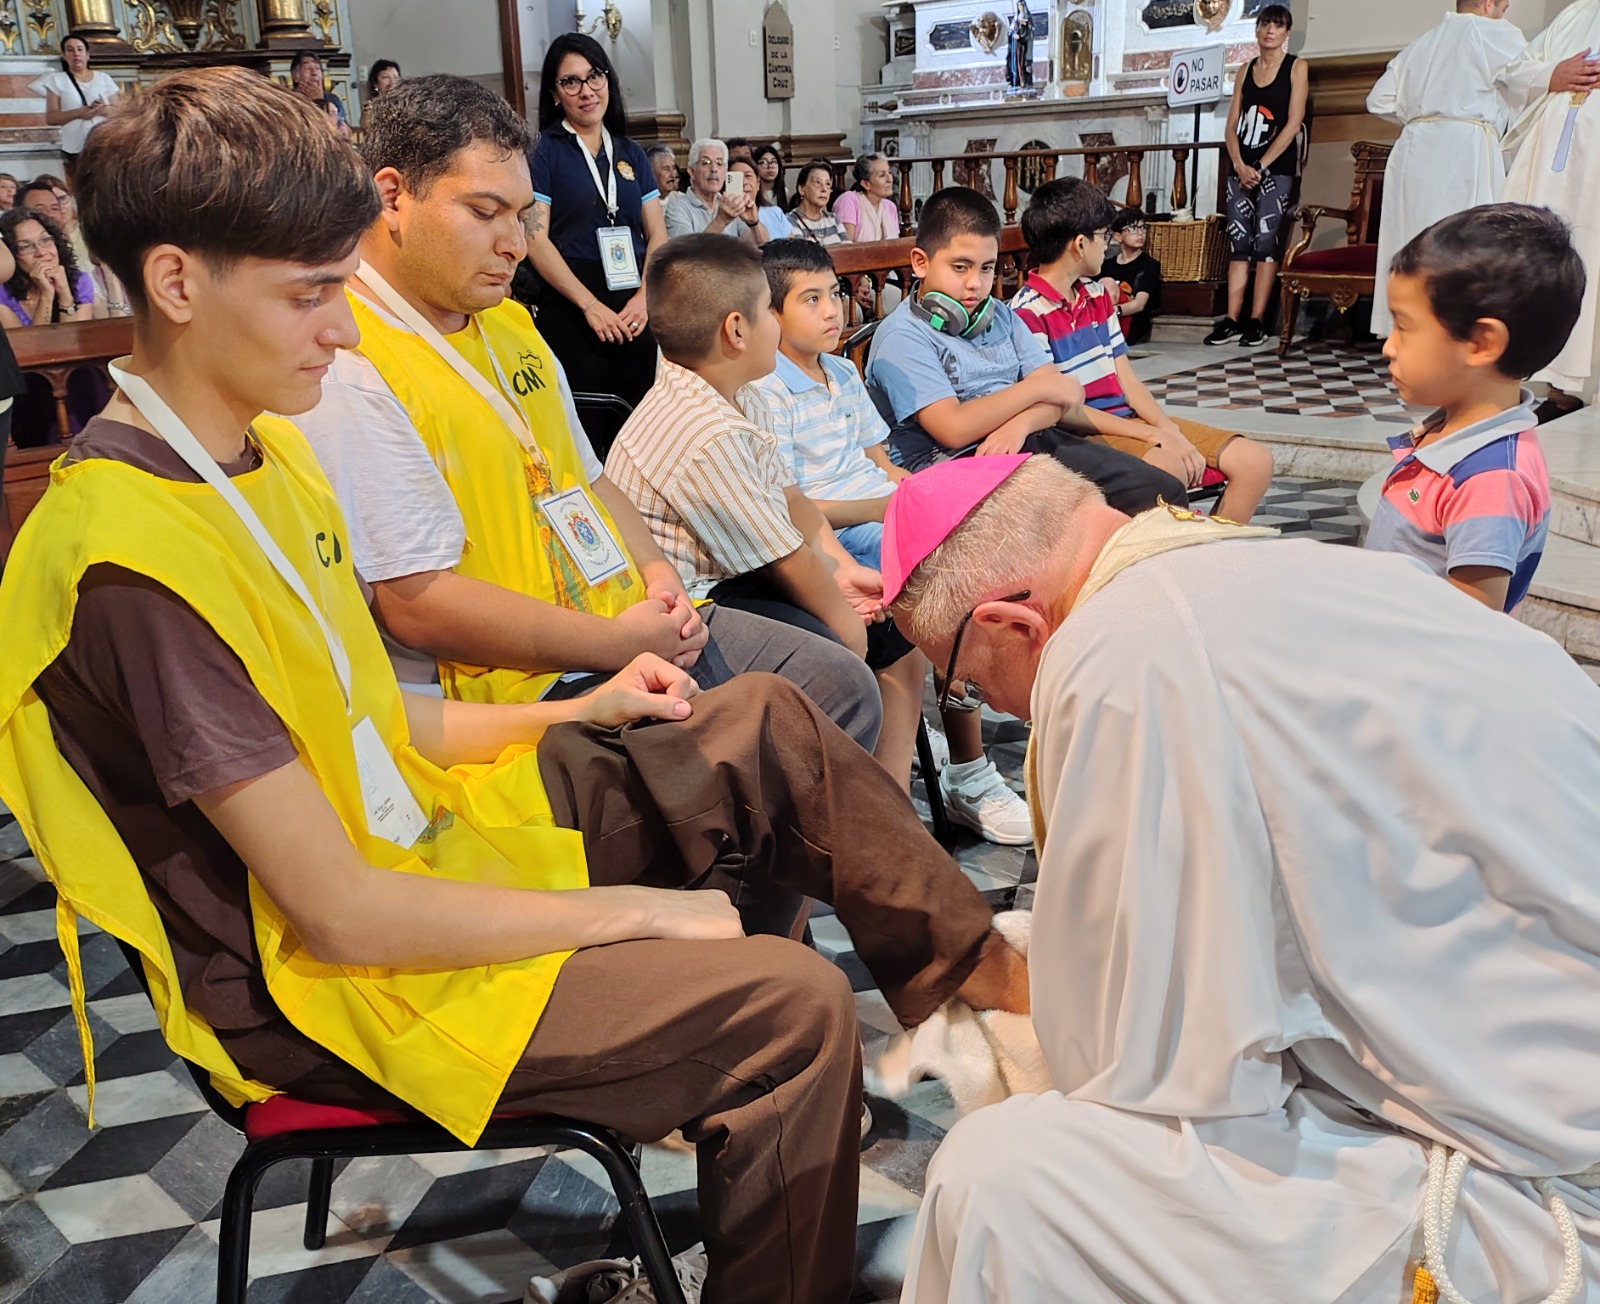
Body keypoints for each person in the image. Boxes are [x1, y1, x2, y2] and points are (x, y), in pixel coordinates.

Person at [0, 67, 1033, 1304]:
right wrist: (637, 914)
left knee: (757, 719)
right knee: (792, 1007)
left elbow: (368, 712)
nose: (340, 327)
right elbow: (339, 913)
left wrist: (573, 711)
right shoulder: (129, 560)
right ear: (176, 280)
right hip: (325, 977)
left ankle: (995, 995)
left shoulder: (251, 455)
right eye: (311, 293)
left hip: (423, 839)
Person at [881, 448, 1600, 1304]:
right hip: (1534, 1084)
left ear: (1012, 623)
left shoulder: (1122, 658)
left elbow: (1148, 1071)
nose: (987, 707)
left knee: (998, 1183)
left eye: (964, 685)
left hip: (1533, 1187)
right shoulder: (1302, 567)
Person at [295, 76, 885, 754]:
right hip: (526, 680)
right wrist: (617, 641)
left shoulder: (511, 323)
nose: (515, 245)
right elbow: (416, 602)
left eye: (523, 217)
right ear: (394, 196)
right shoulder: (349, 359)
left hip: (627, 613)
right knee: (755, 753)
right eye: (486, 213)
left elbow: (590, 477)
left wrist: (659, 577)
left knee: (838, 685)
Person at [604, 234, 927, 787]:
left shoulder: (736, 389)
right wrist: (847, 627)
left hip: (742, 574)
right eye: (767, 311)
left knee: (895, 629)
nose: (775, 326)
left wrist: (842, 569)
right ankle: (827, 821)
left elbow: (790, 497)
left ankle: (888, 796)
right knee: (847, 668)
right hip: (694, 607)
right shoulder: (702, 430)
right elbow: (785, 561)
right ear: (736, 329)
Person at [742, 239, 1032, 842]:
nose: (833, 311)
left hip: (883, 510)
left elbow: (881, 462)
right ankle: (962, 768)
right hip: (839, 531)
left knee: (996, 537)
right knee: (955, 587)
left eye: (836, 295)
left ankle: (956, 743)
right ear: (769, 314)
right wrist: (889, 505)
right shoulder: (762, 391)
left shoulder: (843, 370)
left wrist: (925, 495)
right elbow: (791, 504)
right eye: (811, 299)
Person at [863, 186, 1187, 513]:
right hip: (958, 467)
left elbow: (1065, 396)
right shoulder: (902, 336)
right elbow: (954, 428)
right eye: (960, 267)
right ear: (920, 262)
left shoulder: (1000, 315)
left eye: (986, 268)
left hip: (1027, 439)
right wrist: (1038, 388)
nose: (975, 283)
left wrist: (1021, 422)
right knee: (1090, 518)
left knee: (1163, 492)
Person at [1012, 178, 1274, 523]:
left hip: (1127, 419)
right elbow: (1064, 412)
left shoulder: (1096, 296)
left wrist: (1170, 430)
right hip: (1084, 432)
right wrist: (1153, 435)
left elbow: (1128, 381)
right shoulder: (1025, 312)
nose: (1106, 246)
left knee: (1255, 462)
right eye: (1104, 236)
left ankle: (1212, 554)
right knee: (1169, 473)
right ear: (1079, 244)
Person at [1364, 205, 1580, 613]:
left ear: (1481, 343)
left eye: (1404, 327)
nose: (1388, 347)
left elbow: (1470, 629)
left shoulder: (1491, 480)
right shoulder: (1448, 433)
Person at [1365, 1, 1524, 340]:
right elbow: (1528, 77)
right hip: (1463, 146)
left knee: (1415, 240)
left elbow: (1377, 100)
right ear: (1488, 2)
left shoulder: (1422, 42)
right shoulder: (1492, 32)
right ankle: (1458, 332)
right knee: (1464, 241)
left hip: (1412, 148)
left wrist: (1421, 117)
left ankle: (1410, 329)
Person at [526, 33, 664, 411]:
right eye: (571, 81)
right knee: (586, 426)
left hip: (633, 305)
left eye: (594, 76)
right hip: (573, 304)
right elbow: (535, 240)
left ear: (608, 81)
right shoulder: (544, 152)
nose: (586, 91)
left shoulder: (630, 152)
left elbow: (658, 236)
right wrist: (589, 306)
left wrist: (645, 298)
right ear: (555, 94)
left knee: (639, 423)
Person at [1498, 0, 1600, 419]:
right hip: (1552, 166)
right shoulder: (1578, 13)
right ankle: (1553, 386)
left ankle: (1580, 385)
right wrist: (1551, 76)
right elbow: (1512, 73)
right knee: (1547, 258)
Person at [1207, 4, 1308, 348]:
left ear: (1286, 32)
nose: (1270, 31)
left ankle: (1257, 320)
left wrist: (1261, 166)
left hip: (1275, 169)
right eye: (1265, 24)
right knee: (1238, 243)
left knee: (1265, 243)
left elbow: (1294, 123)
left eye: (1278, 26)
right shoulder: (1245, 70)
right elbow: (1231, 124)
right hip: (1241, 169)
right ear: (1257, 29)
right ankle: (1232, 318)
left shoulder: (1296, 67)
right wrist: (1238, 164)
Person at [31, 33, 116, 182]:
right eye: (70, 50)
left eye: (80, 49)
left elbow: (119, 112)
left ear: (87, 55)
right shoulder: (57, 80)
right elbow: (51, 117)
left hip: (103, 144)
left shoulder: (104, 78)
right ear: (65, 56)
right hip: (76, 147)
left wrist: (102, 109)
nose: (76, 54)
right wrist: (79, 113)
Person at [0, 206, 98, 326]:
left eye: (45, 240)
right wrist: (46, 294)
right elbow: (31, 344)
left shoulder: (79, 281)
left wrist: (64, 293)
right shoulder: (2, 293)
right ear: (11, 254)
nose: (41, 252)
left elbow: (73, 338)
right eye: (26, 247)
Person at [664, 138, 761, 243]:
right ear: (692, 171)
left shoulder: (730, 203)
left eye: (719, 163)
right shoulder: (677, 208)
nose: (714, 168)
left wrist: (754, 223)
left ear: (725, 172)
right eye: (706, 162)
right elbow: (689, 256)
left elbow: (759, 247)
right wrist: (721, 220)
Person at [1101, 206, 1161, 346]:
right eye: (1132, 229)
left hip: (1132, 323)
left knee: (1108, 283)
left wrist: (1113, 311)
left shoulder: (1150, 265)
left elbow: (1139, 304)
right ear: (1117, 236)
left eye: (1143, 228)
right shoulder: (1106, 265)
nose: (1140, 233)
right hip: (1107, 319)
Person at [833, 152, 901, 242]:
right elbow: (846, 248)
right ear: (866, 184)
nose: (890, 179)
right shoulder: (849, 201)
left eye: (889, 172)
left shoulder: (890, 207)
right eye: (882, 175)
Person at [289, 50, 351, 140]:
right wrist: (318, 100)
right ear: (295, 76)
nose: (314, 73)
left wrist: (346, 131)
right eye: (307, 68)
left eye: (317, 69)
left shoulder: (332, 98)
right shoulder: (290, 99)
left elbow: (346, 127)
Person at [788, 158, 850, 245]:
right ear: (801, 189)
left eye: (828, 184)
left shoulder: (833, 219)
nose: (824, 189)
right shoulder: (790, 221)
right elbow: (801, 256)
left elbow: (848, 252)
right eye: (817, 183)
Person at [733, 156, 789, 240]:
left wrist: (754, 223)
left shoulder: (775, 212)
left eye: (748, 176)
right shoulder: (723, 216)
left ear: (758, 183)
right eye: (737, 178)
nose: (744, 182)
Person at [752, 141, 787, 211]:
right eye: (763, 162)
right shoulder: (752, 192)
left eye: (774, 162)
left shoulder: (785, 192)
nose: (770, 166)